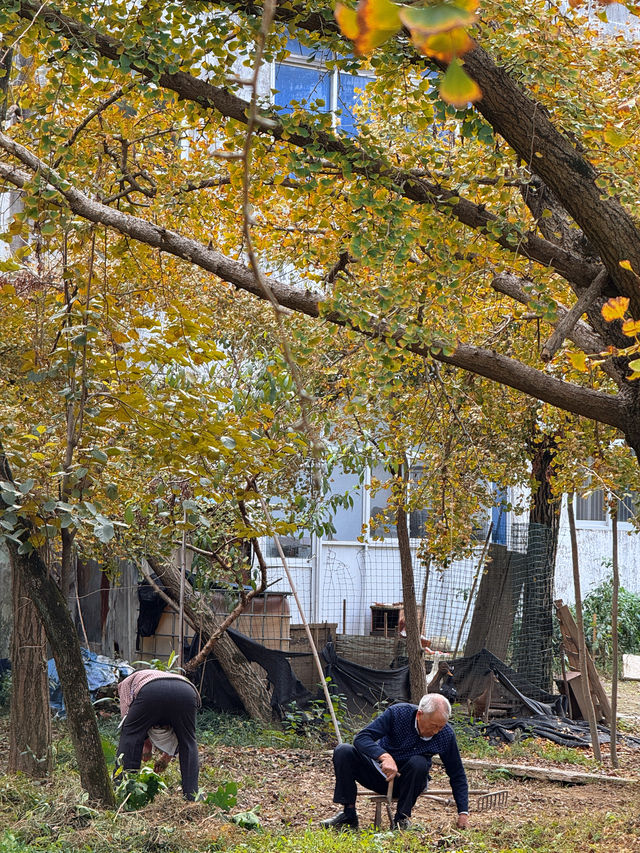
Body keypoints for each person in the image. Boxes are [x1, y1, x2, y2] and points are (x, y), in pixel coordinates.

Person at [322, 693, 469, 831]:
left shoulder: (446, 735)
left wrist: (463, 812)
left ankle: (402, 819)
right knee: (343, 750)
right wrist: (384, 757)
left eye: (441, 727)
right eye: (433, 726)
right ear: (419, 715)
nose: (436, 731)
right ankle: (349, 814)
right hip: (380, 774)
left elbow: (457, 774)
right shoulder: (398, 714)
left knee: (419, 762)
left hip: (410, 783)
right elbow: (362, 738)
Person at [116, 668, 201, 800]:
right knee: (188, 741)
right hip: (186, 691)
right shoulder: (161, 676)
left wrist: (141, 742)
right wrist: (166, 758)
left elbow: (129, 720)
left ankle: (125, 789)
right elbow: (176, 732)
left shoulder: (127, 683)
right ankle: (192, 796)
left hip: (151, 690)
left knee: (130, 735)